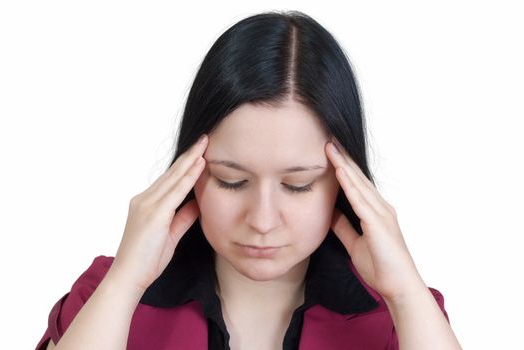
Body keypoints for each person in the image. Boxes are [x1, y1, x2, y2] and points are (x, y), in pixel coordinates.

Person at [35, 10, 462, 350]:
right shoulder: (109, 293)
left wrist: (405, 293)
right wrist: (125, 283)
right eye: (231, 180)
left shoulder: (403, 314)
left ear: (345, 183)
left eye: (298, 185)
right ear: (191, 169)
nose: (261, 220)